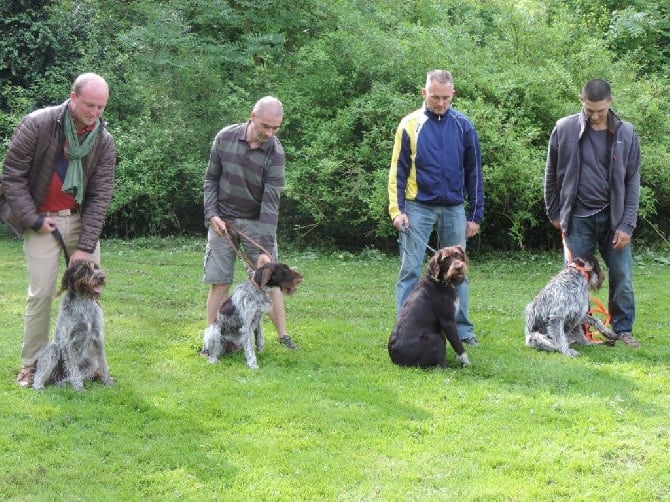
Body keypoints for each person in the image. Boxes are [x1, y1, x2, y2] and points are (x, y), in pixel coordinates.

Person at [0, 73, 117, 387]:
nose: (95, 113)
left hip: (81, 219)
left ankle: (90, 364)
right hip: (41, 219)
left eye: (101, 107)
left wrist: (85, 244)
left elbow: (101, 194)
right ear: (73, 97)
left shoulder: (103, 140)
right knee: (41, 294)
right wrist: (35, 221)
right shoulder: (38, 124)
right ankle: (33, 365)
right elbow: (12, 176)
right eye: (90, 105)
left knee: (92, 292)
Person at [388, 69, 484, 345]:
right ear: (424, 93)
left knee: (459, 272)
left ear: (453, 94)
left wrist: (475, 214)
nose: (440, 103)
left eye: (445, 98)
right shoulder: (409, 124)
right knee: (410, 269)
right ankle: (405, 328)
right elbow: (398, 171)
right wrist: (398, 211)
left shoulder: (464, 125)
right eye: (435, 97)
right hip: (417, 207)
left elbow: (474, 171)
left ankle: (463, 330)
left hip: (454, 207)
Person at [544, 78, 641, 347]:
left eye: (600, 110)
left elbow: (632, 182)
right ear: (581, 102)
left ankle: (622, 330)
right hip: (577, 219)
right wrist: (554, 212)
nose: (596, 116)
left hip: (614, 220)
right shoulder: (564, 128)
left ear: (610, 102)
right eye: (590, 110)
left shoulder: (626, 133)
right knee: (573, 281)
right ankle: (576, 332)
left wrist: (627, 225)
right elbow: (551, 174)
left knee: (622, 276)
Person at [203, 96, 297, 350]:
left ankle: (283, 335)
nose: (270, 132)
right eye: (266, 126)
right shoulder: (225, 138)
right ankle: (210, 339)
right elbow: (211, 179)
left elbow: (270, 203)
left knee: (271, 280)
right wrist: (212, 214)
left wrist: (265, 250)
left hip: (257, 223)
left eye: (276, 127)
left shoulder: (275, 153)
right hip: (222, 221)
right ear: (252, 116)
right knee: (220, 281)